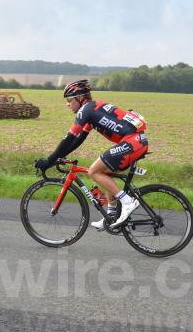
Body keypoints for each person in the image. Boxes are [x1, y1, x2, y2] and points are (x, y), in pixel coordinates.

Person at [35, 79, 148, 229]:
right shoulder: (93, 109)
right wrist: (59, 157)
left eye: (69, 99)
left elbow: (68, 138)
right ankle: (111, 216)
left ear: (80, 98)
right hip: (137, 141)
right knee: (104, 174)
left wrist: (49, 160)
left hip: (133, 142)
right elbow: (78, 140)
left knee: (94, 171)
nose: (67, 103)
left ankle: (128, 202)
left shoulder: (86, 110)